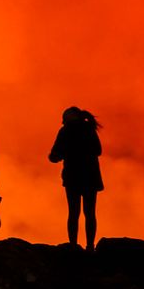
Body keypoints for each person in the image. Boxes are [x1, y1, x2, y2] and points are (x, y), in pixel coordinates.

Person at [48, 106, 102, 250]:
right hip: (90, 176)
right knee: (90, 213)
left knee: (73, 212)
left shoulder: (65, 131)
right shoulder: (89, 129)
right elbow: (98, 150)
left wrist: (66, 154)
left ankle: (73, 245)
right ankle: (90, 246)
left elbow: (54, 156)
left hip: (73, 177)